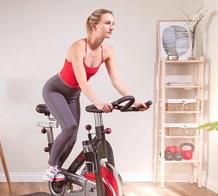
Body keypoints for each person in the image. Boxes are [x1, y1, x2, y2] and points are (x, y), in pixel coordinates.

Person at [42, 8, 148, 182]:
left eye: (113, 23)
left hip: (73, 95)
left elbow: (117, 80)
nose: (112, 27)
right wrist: (97, 101)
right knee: (69, 127)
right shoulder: (78, 47)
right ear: (94, 26)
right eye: (107, 23)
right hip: (55, 90)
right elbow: (82, 81)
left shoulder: (107, 51)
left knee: (73, 135)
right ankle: (51, 168)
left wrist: (135, 101)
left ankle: (58, 170)